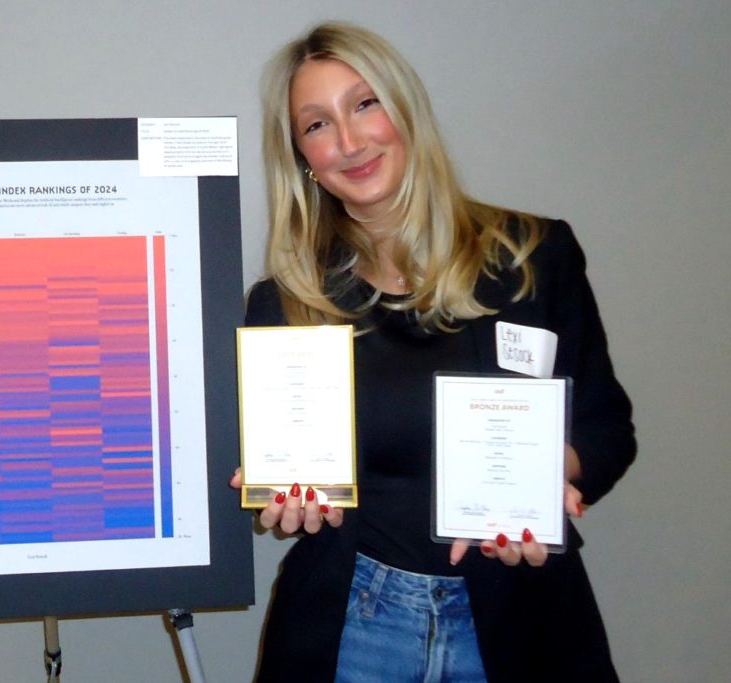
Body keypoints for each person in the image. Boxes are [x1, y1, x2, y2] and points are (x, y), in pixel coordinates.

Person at [231, 21, 636, 682]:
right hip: (354, 625)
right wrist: (281, 494)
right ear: (302, 156)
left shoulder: (533, 256)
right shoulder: (286, 304)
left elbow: (607, 427)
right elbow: (281, 466)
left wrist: (548, 475)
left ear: (406, 108)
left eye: (365, 104)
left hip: (520, 617)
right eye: (317, 124)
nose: (349, 141)